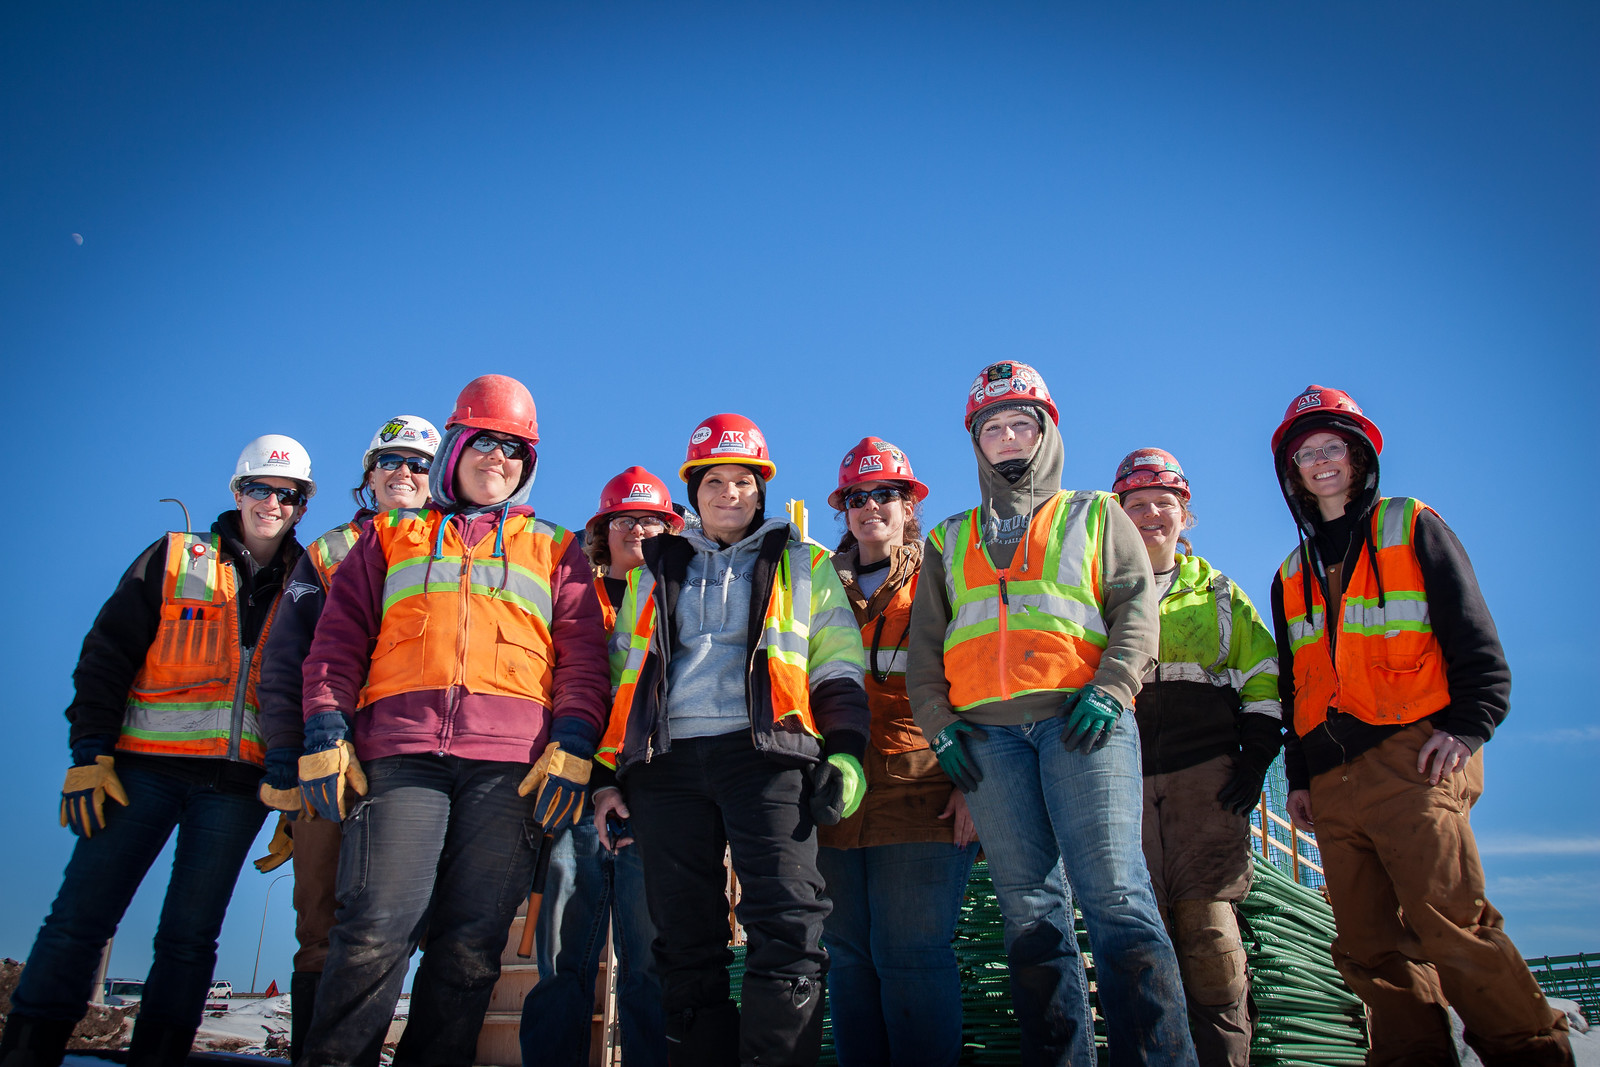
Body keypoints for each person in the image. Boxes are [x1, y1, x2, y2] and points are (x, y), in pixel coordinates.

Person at [296, 374, 610, 1067]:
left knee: (471, 945)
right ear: (458, 445)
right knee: (375, 930)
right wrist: (324, 729)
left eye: (514, 450)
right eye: (486, 442)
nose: (499, 459)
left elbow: (585, 659)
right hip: (402, 753)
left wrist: (574, 739)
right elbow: (336, 643)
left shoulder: (557, 549)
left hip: (510, 769)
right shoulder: (392, 536)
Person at [1268, 385, 1573, 1067]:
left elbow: (1474, 636)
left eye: (1333, 447)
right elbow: (1295, 690)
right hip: (1332, 780)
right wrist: (1298, 776)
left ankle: (1532, 1054)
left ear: (1359, 455)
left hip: (1415, 757)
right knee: (1367, 946)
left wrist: (1468, 728)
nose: (1320, 462)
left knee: (1451, 926)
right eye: (1305, 452)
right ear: (1291, 470)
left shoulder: (1411, 524)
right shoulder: (1291, 574)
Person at [907, 360, 1197, 1067]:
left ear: (1046, 432)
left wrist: (1114, 685)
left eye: (1020, 424)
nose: (1007, 438)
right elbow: (925, 652)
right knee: (1030, 911)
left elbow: (1135, 605)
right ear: (977, 442)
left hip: (1083, 725)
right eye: (993, 427)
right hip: (988, 743)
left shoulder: (1097, 513)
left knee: (1116, 897)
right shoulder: (948, 538)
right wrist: (941, 727)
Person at [0, 435, 314, 1067]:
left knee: (190, 937)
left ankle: (160, 1057)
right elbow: (107, 653)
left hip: (235, 787)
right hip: (141, 772)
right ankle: (29, 1050)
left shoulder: (309, 585)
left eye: (287, 494)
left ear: (302, 505)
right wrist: (90, 751)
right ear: (236, 491)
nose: (271, 504)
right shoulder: (176, 558)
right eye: (259, 488)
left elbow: (306, 690)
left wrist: (290, 791)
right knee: (82, 917)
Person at [591, 413, 871, 1067]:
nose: (728, 493)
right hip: (667, 769)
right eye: (713, 481)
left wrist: (847, 755)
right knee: (683, 938)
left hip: (767, 758)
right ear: (693, 491)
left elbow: (836, 664)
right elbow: (624, 684)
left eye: (742, 481)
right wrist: (607, 776)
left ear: (761, 490)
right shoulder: (651, 574)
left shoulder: (805, 563)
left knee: (789, 922)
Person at [253, 414, 438, 1064]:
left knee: (401, 927)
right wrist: (287, 751)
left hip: (411, 764)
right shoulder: (329, 551)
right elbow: (285, 659)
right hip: (328, 761)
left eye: (418, 463)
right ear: (368, 472)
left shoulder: (454, 548)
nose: (404, 472)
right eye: (390, 459)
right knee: (321, 926)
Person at [1112, 447, 1283, 1067]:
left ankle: (1223, 1056)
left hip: (1203, 781)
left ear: (1186, 513)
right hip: (1120, 781)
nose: (1151, 514)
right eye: (1136, 505)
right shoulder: (1099, 592)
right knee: (1139, 932)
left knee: (1208, 930)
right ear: (1118, 518)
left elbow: (1262, 676)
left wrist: (1258, 752)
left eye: (1164, 503)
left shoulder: (1217, 593)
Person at [815, 437, 979, 1067]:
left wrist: (973, 785)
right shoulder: (814, 584)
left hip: (924, 795)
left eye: (886, 494)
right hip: (835, 799)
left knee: (913, 955)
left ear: (910, 504)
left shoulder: (945, 577)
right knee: (851, 961)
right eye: (857, 497)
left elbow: (974, 683)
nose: (870, 507)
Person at [518, 466, 673, 1067]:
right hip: (574, 791)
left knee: (649, 962)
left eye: (652, 520)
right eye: (625, 520)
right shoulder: (572, 596)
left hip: (650, 793)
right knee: (561, 959)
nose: (638, 529)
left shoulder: (676, 596)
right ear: (602, 532)